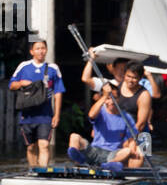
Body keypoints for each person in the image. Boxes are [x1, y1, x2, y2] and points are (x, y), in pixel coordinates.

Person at [9, 37, 64, 167]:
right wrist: (21, 83)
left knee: (44, 145)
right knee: (31, 147)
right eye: (38, 48)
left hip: (45, 115)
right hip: (27, 115)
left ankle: (43, 172)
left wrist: (57, 115)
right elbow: (11, 85)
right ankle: (33, 171)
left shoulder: (53, 68)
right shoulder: (23, 67)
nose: (41, 51)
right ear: (32, 51)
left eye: (43, 48)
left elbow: (58, 92)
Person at [67, 88, 135, 170]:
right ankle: (80, 160)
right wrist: (105, 96)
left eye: (114, 98)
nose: (111, 102)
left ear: (119, 99)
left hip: (112, 153)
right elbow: (91, 115)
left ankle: (108, 165)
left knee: (127, 151)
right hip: (94, 149)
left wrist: (133, 152)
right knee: (74, 136)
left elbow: (131, 139)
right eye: (108, 99)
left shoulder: (127, 117)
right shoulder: (100, 111)